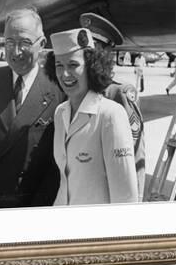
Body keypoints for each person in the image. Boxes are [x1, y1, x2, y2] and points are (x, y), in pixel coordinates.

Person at [0, 7, 64, 209]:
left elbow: (58, 162)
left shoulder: (57, 88)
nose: (15, 52)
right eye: (9, 43)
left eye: (24, 43)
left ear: (41, 44)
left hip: (33, 204)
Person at [49, 28, 138, 205]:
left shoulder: (110, 115)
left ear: (91, 67)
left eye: (73, 65)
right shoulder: (60, 113)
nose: (65, 74)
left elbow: (126, 197)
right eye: (59, 65)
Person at [79, 12, 146, 201]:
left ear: (106, 54)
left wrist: (136, 202)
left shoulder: (119, 94)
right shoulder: (74, 93)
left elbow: (134, 156)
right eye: (84, 52)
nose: (87, 58)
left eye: (93, 51)